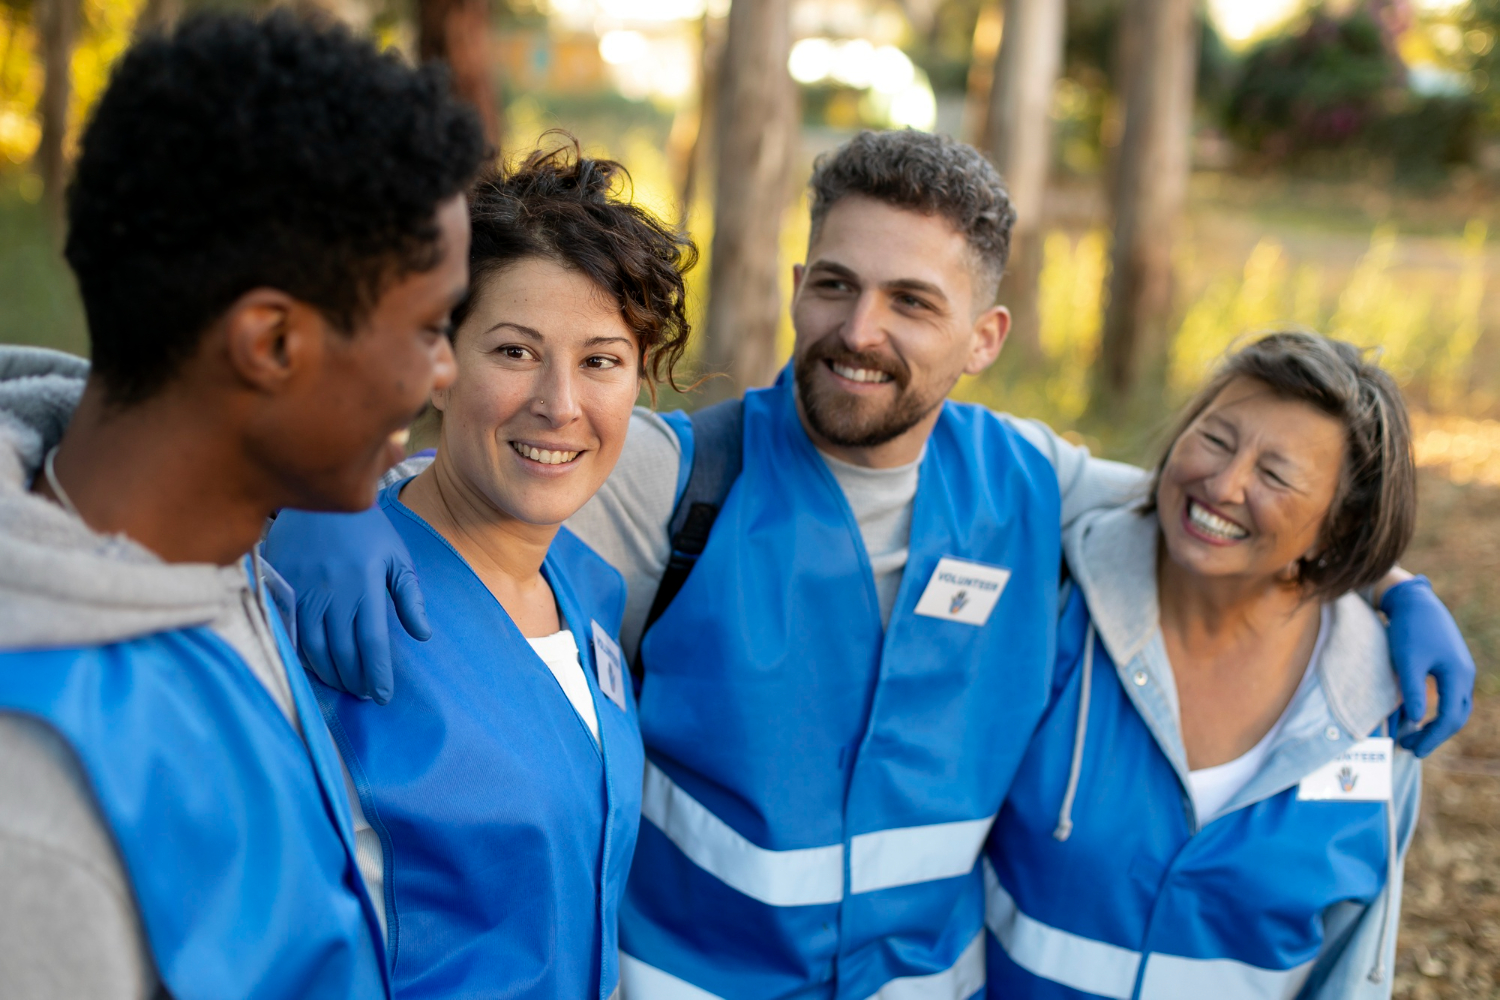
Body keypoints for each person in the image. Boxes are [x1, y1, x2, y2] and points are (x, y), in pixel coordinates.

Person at [28, 130, 1473, 998]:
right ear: (795, 287)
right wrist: (316, 496)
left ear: (985, 336)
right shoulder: (677, 476)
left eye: (912, 302)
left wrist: (1384, 588)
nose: (860, 330)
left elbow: (1223, 509)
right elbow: (478, 461)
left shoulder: (1040, 489)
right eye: (834, 284)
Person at [0, 13, 484, 1000]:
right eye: (431, 328)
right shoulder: (32, 808)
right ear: (270, 345)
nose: (445, 373)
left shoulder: (214, 554)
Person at [315, 143, 693, 998]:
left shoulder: (589, 590)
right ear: (437, 367)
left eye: (600, 360)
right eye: (516, 352)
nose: (560, 404)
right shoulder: (337, 601)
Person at [984, 332, 1422, 999]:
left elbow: (1350, 966)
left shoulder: (1378, 708)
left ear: (1339, 525)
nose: (1223, 484)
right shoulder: (1055, 605)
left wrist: (1396, 586)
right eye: (1215, 439)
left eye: (1275, 475)